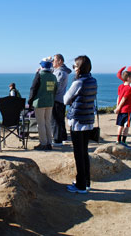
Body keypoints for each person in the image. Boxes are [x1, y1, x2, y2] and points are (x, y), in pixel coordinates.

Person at [64, 55, 97, 193]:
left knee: (78, 153)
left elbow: (66, 99)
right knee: (84, 152)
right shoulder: (93, 80)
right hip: (88, 120)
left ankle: (80, 185)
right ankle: (86, 181)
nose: (74, 69)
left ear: (80, 68)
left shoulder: (78, 82)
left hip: (78, 121)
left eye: (75, 66)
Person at [28, 58, 57, 151]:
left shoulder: (39, 75)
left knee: (40, 124)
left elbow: (33, 89)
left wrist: (30, 101)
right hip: (50, 102)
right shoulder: (53, 76)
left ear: (42, 66)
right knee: (48, 123)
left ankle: (43, 143)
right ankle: (49, 143)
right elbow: (55, 89)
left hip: (39, 102)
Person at [51, 53, 72, 146]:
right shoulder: (62, 71)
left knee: (55, 120)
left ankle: (57, 140)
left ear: (60, 61)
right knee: (60, 119)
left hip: (57, 98)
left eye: (54, 60)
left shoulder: (60, 72)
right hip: (61, 98)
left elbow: (57, 86)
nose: (52, 62)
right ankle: (63, 137)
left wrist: (50, 93)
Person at [114, 70, 131, 146]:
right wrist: (119, 107)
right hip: (127, 109)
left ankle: (118, 140)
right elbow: (124, 99)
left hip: (121, 110)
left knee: (120, 125)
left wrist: (117, 107)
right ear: (128, 78)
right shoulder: (129, 88)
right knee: (126, 126)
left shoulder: (120, 86)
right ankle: (123, 140)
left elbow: (119, 97)